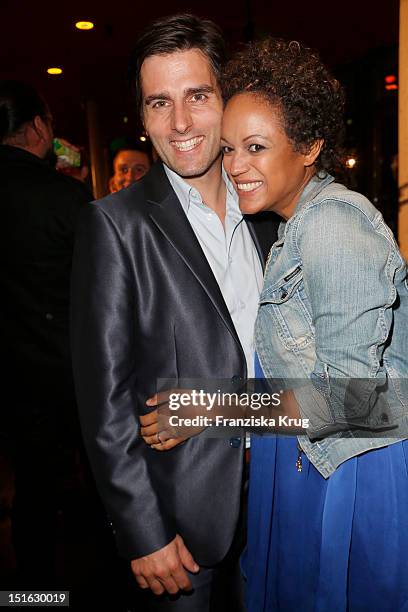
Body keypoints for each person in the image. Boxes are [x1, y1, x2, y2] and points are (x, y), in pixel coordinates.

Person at [70, 14, 279, 611]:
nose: (181, 123)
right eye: (160, 102)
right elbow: (103, 400)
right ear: (142, 115)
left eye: (197, 97)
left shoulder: (272, 214)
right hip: (179, 524)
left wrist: (216, 408)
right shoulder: (115, 225)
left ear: (227, 100)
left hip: (279, 499)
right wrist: (142, 531)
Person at [219, 38, 408, 611]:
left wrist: (203, 411)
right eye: (228, 149)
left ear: (310, 147)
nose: (234, 166)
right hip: (306, 459)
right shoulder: (292, 227)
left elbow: (354, 400)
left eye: (255, 147)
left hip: (348, 474)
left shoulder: (334, 227)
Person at [0, 80, 92, 587]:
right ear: (38, 127)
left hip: (11, 380)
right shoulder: (61, 196)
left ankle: (30, 596)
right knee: (96, 481)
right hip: (67, 373)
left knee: (31, 494)